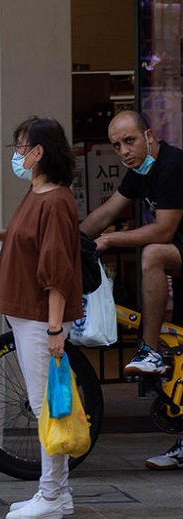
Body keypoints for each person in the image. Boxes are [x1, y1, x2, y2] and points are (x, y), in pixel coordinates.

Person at [0, 116, 83, 519]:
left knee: (45, 407)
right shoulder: (38, 193)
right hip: (29, 316)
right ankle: (59, 493)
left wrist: (54, 329)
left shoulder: (54, 200)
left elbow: (57, 270)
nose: (17, 155)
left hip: (39, 318)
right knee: (47, 403)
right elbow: (31, 242)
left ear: (39, 153)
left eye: (21, 147)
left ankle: (50, 494)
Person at [78, 110, 183, 470]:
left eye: (130, 141)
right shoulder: (141, 172)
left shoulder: (171, 166)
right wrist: (71, 240)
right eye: (116, 145)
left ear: (150, 136)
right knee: (182, 351)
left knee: (153, 254)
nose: (123, 150)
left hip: (173, 252)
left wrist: (111, 240)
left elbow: (163, 231)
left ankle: (148, 350)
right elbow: (105, 213)